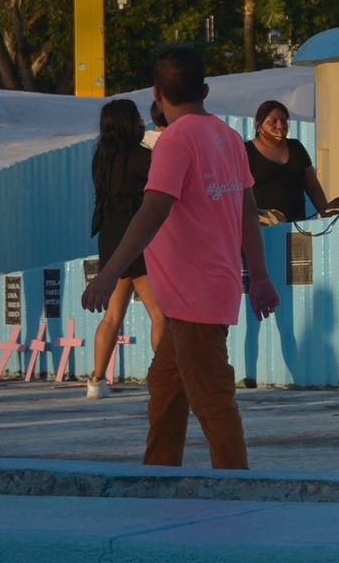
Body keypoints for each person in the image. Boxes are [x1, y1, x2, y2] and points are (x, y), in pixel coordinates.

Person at [81, 47, 280, 468]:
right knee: (166, 388)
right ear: (205, 89)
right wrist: (259, 275)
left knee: (212, 400)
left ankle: (236, 486)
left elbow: (152, 211)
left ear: (156, 94)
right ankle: (158, 474)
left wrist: (108, 273)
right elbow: (248, 209)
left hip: (194, 296)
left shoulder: (174, 142)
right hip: (197, 295)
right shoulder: (227, 138)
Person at [86, 98, 166, 400]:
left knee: (112, 316)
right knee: (159, 314)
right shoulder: (144, 157)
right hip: (139, 237)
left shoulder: (100, 157)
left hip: (109, 236)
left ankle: (96, 381)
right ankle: (163, 374)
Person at [245, 100, 328, 224]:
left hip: (297, 228)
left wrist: (326, 214)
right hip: (262, 229)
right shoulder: (246, 151)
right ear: (258, 125)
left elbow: (313, 187)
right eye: (273, 121)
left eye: (283, 121)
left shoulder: (296, 147)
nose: (280, 125)